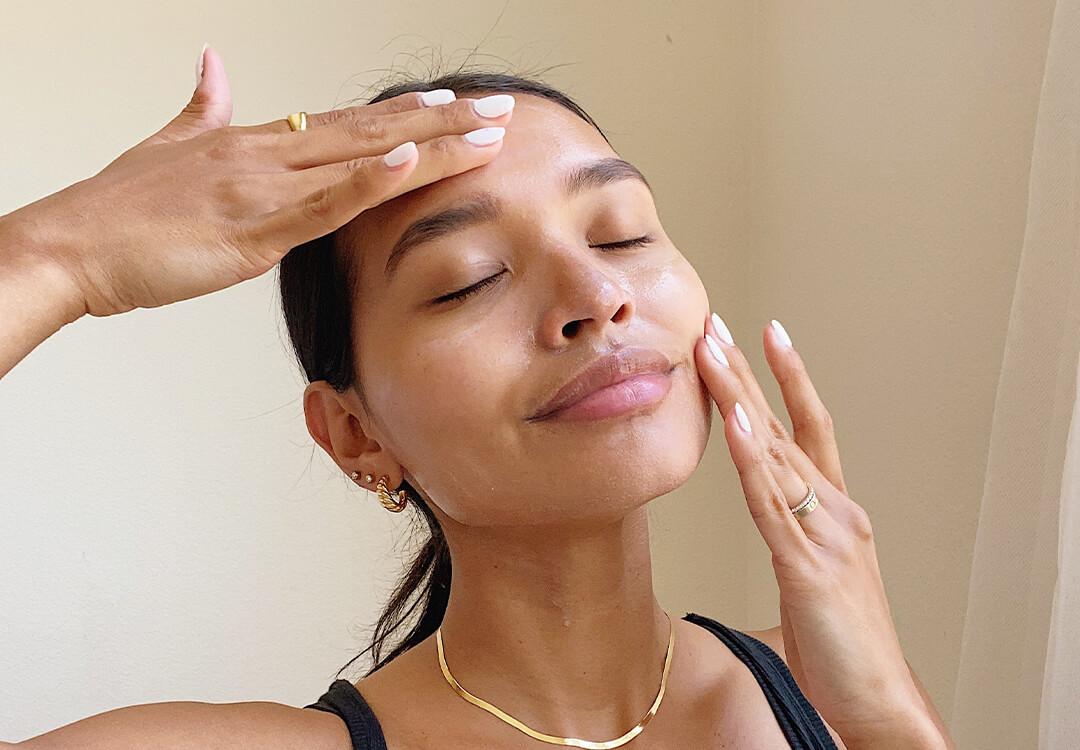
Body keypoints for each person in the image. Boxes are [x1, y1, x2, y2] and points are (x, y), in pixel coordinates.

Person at [0, 44, 953, 749]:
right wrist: (56, 255)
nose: (597, 296)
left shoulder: (837, 690)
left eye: (620, 234)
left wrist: (887, 725)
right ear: (355, 435)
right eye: (469, 280)